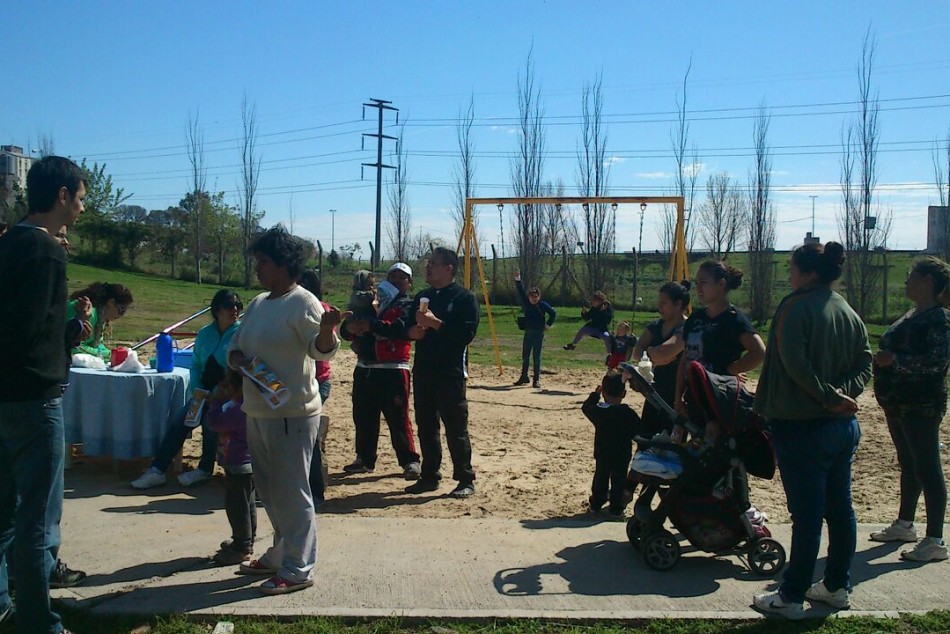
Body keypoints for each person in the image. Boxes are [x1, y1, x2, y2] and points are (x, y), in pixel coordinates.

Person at [752, 242, 871, 620]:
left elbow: (794, 363)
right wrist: (844, 396)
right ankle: (837, 585)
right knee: (840, 510)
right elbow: (865, 360)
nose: (789, 274)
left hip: (802, 424)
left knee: (806, 515)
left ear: (808, 272)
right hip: (842, 426)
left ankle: (791, 596)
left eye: (792, 267)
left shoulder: (795, 307)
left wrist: (827, 397)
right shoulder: (847, 310)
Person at [227, 226, 343, 595]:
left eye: (263, 262)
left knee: (292, 491)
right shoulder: (260, 302)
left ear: (283, 265)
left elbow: (320, 350)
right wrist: (237, 358)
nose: (257, 269)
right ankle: (279, 553)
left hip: (292, 412)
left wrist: (327, 331)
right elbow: (237, 342)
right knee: (269, 489)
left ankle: (298, 568)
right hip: (258, 409)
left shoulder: (303, 302)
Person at [0, 155, 86, 634]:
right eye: (78, 199)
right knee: (36, 519)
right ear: (60, 196)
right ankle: (39, 623)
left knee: (2, 514)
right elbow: (30, 329)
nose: (80, 209)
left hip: (2, 396)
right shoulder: (47, 253)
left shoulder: (8, 243)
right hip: (35, 399)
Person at [870, 256, 950, 563]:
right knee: (909, 462)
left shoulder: (939, 319)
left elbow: (936, 363)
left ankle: (935, 539)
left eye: (912, 276)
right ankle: (905, 524)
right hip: (898, 403)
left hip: (922, 405)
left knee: (928, 467)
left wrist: (894, 362)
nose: (906, 281)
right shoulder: (914, 314)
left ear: (928, 281)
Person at [130, 289, 242, 489]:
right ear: (216, 309)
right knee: (179, 422)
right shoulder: (205, 334)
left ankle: (205, 469)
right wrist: (198, 390)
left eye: (237, 306)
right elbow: (196, 365)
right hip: (203, 391)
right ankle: (157, 469)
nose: (234, 309)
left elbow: (239, 370)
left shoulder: (242, 334)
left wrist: (220, 393)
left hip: (228, 395)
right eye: (229, 305)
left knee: (210, 424)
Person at [404, 248, 479, 498]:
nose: (428, 268)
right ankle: (429, 476)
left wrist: (436, 324)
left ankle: (465, 478)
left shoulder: (464, 298)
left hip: (450, 372)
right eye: (427, 263)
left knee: (455, 427)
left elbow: (465, 335)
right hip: (424, 370)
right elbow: (407, 325)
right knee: (426, 426)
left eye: (433, 264)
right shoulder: (422, 296)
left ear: (449, 268)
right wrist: (412, 331)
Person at [341, 262, 421, 479]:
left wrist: (371, 326)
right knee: (363, 416)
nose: (395, 280)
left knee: (398, 417)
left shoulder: (408, 304)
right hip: (365, 367)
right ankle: (364, 459)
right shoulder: (370, 301)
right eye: (392, 276)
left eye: (401, 277)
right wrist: (349, 329)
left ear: (409, 283)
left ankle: (410, 461)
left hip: (393, 368)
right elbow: (346, 329)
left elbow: (401, 329)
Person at [674, 261, 765, 418]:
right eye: (697, 283)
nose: (698, 289)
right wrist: (678, 397)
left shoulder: (734, 319)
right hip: (693, 396)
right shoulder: (696, 318)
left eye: (703, 282)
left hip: (720, 400)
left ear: (721, 284)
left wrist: (730, 371)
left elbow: (759, 352)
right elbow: (685, 358)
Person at [208, 370, 257, 566]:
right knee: (248, 504)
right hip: (246, 464)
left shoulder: (238, 410)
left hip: (239, 464)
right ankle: (246, 540)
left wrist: (216, 401)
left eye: (228, 385)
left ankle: (242, 546)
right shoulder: (247, 406)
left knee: (237, 507)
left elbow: (214, 422)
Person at [630, 281, 690, 437]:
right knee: (646, 441)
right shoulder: (655, 325)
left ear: (678, 304)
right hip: (653, 395)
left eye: (664, 303)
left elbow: (665, 352)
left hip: (677, 398)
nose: (659, 307)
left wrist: (650, 354)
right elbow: (636, 353)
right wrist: (655, 355)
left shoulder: (688, 327)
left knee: (672, 446)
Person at [582, 371, 641, 521]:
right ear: (624, 393)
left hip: (603, 453)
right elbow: (639, 431)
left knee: (600, 478)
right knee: (619, 480)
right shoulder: (628, 413)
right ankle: (616, 508)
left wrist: (594, 395)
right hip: (622, 454)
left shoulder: (599, 411)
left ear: (603, 392)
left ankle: (596, 503)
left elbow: (586, 407)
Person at [298, 269, 333, 503]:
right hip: (296, 379)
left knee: (309, 433)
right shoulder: (289, 305)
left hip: (318, 380)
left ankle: (317, 490)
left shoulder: (321, 308)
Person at [65, 282, 134, 360]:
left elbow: (97, 345)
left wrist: (113, 353)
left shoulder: (101, 316)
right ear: (111, 302)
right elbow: (76, 348)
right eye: (121, 310)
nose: (121, 315)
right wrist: (110, 355)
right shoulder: (84, 310)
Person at [513, 271, 556, 389]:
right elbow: (520, 291)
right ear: (529, 297)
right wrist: (518, 279)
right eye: (532, 297)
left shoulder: (542, 305)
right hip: (528, 332)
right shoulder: (526, 303)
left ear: (539, 297)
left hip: (538, 333)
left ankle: (536, 379)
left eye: (536, 297)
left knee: (536, 357)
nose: (534, 299)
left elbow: (553, 313)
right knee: (525, 355)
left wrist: (548, 324)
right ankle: (524, 376)